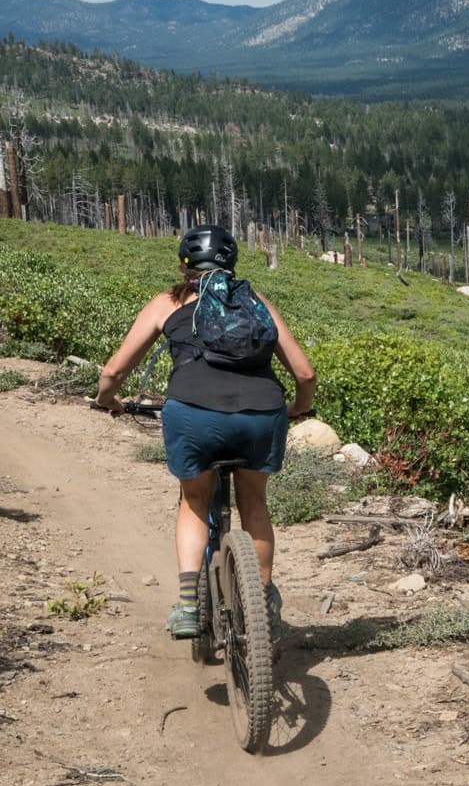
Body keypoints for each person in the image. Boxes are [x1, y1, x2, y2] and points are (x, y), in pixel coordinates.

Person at [96, 224, 316, 639]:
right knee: (255, 503)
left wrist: (109, 400)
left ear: (185, 268)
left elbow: (114, 370)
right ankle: (262, 600)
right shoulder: (255, 301)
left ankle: (187, 605)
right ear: (231, 264)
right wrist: (296, 410)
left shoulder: (167, 302)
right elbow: (305, 373)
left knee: (195, 502)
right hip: (261, 414)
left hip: (194, 413)